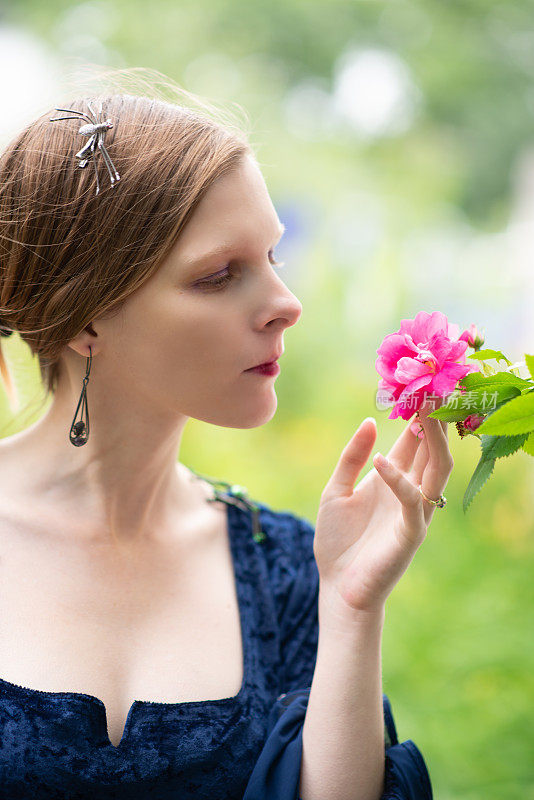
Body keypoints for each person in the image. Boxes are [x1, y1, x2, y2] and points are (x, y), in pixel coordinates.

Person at [0, 84, 440, 799]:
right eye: (218, 276)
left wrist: (353, 611)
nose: (285, 304)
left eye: (273, 256)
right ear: (78, 320)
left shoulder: (288, 569)